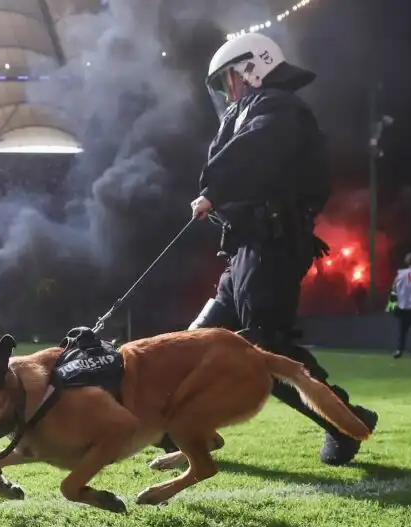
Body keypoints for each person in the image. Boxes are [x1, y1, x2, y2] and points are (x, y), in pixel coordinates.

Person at [157, 32, 378, 465]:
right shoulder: (263, 108)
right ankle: (175, 429)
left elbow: (257, 148)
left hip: (273, 244)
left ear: (250, 69)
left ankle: (345, 421)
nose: (227, 92)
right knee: (196, 341)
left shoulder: (278, 107)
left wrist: (215, 189)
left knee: (265, 349)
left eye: (229, 81)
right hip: (251, 248)